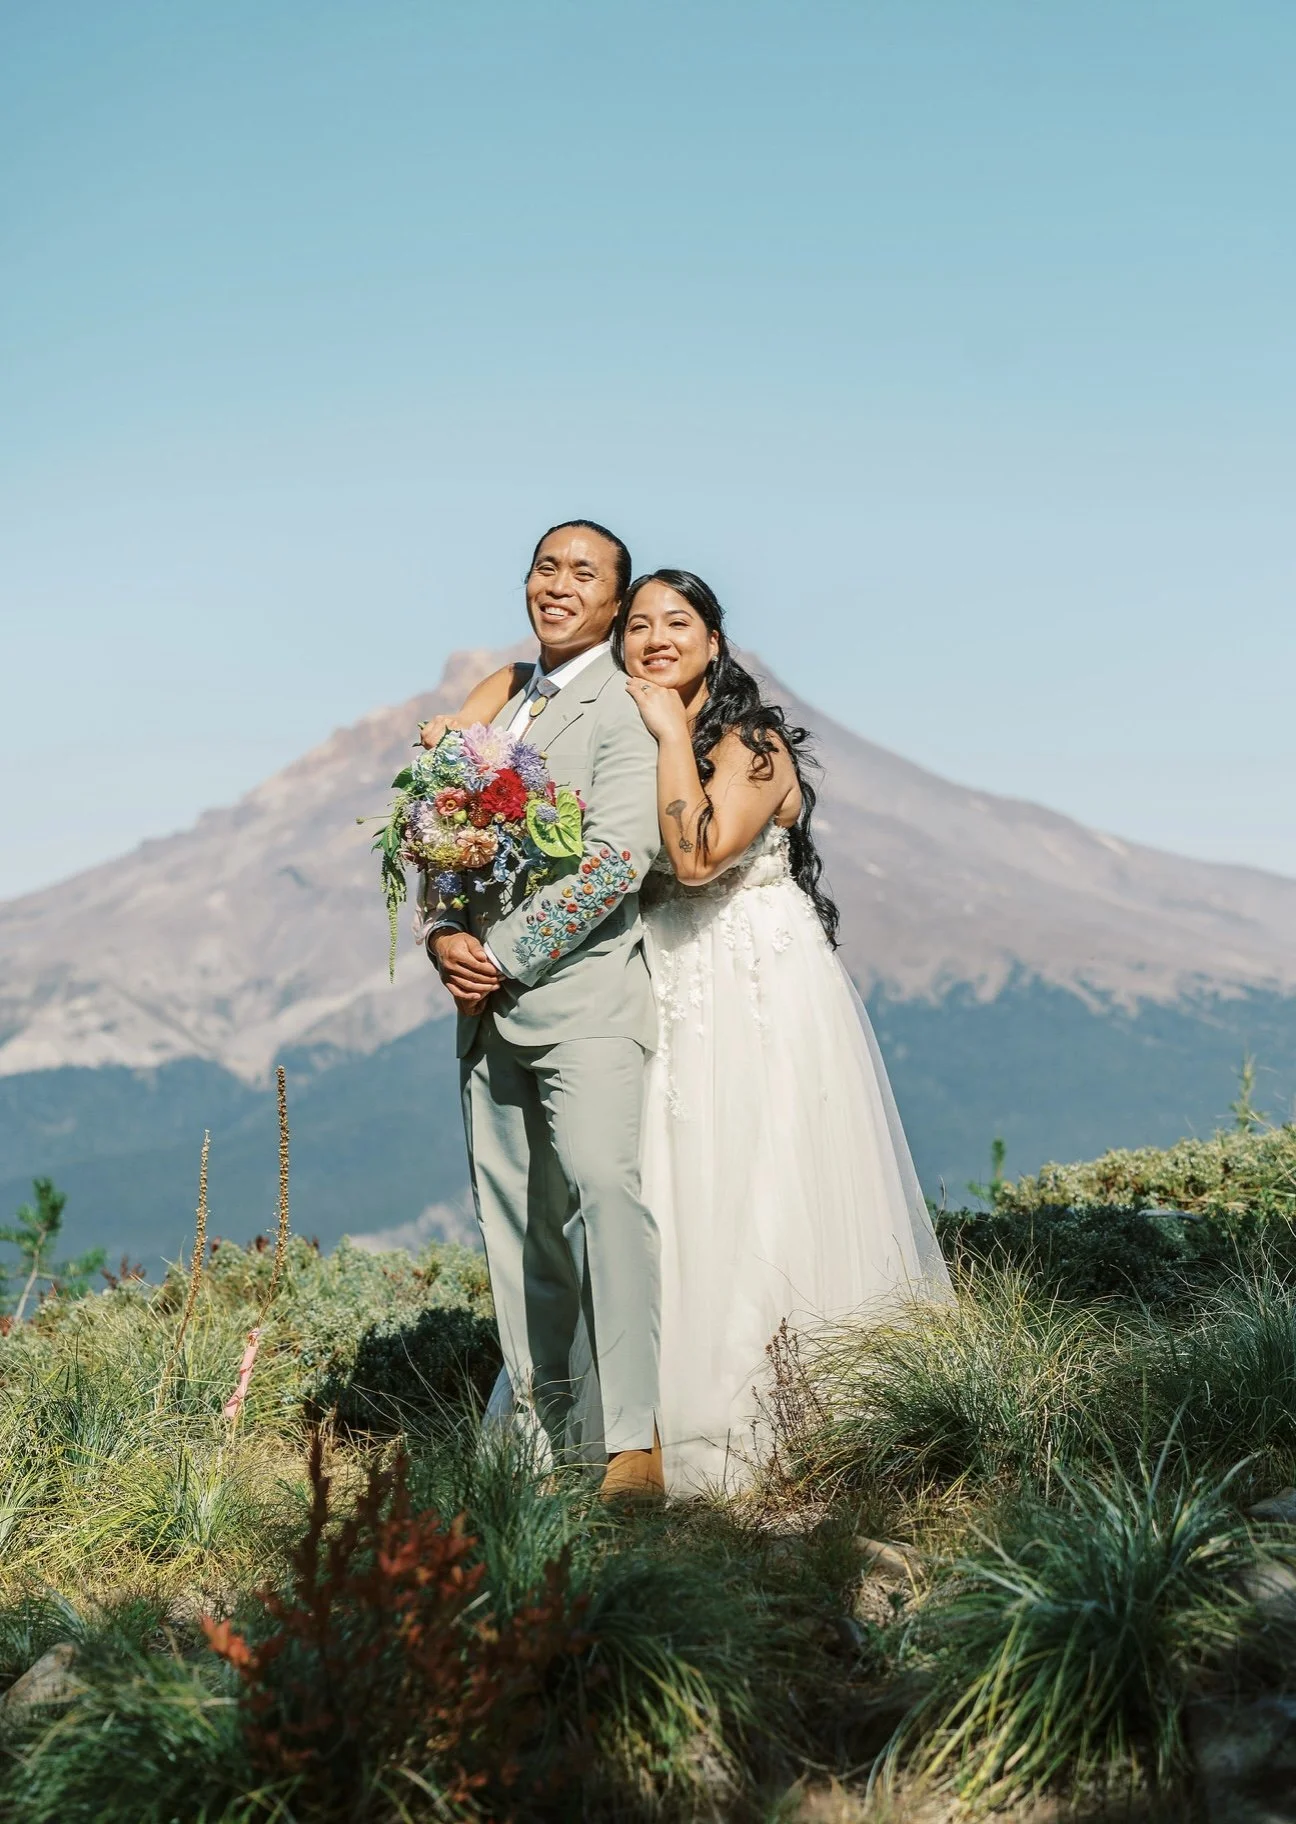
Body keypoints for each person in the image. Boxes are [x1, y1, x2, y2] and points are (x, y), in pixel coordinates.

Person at [429, 564, 950, 1496]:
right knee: (661, 1194)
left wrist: (670, 729)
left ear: (715, 642)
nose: (657, 639)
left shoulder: (752, 744)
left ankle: (767, 1417)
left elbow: (699, 858)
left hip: (755, 988)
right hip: (656, 984)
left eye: (679, 623)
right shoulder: (611, 733)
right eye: (637, 626)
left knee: (756, 1183)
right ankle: (631, 1428)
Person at [421, 520, 666, 1501]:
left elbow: (617, 856)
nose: (557, 586)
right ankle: (544, 1440)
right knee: (519, 1233)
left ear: (616, 603)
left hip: (587, 1002)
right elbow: (438, 837)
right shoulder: (500, 708)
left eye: (584, 574)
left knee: (608, 1198)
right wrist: (442, 932)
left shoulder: (626, 705)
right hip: (484, 1017)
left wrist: (504, 953)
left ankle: (634, 1445)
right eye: (544, 568)